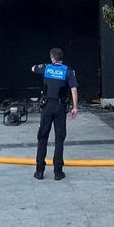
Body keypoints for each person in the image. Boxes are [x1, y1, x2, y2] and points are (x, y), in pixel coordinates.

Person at [31, 48, 78, 181]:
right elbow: (74, 90)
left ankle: (39, 170)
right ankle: (58, 172)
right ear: (62, 58)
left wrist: (43, 66)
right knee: (59, 138)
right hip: (60, 107)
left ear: (52, 58)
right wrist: (75, 107)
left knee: (42, 137)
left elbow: (33, 68)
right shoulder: (68, 71)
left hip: (47, 107)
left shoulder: (46, 68)